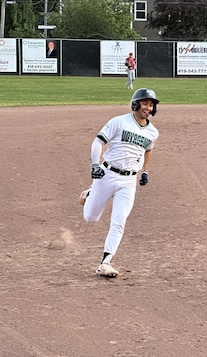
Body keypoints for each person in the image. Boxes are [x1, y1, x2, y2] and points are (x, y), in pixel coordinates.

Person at [79, 88, 160, 278]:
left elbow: (149, 150)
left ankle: (105, 263)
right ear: (135, 104)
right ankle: (91, 192)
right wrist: (94, 164)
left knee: (119, 221)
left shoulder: (153, 132)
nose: (148, 107)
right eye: (145, 103)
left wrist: (145, 170)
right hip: (107, 174)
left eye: (151, 104)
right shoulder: (119, 122)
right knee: (90, 218)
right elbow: (98, 142)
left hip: (129, 181)